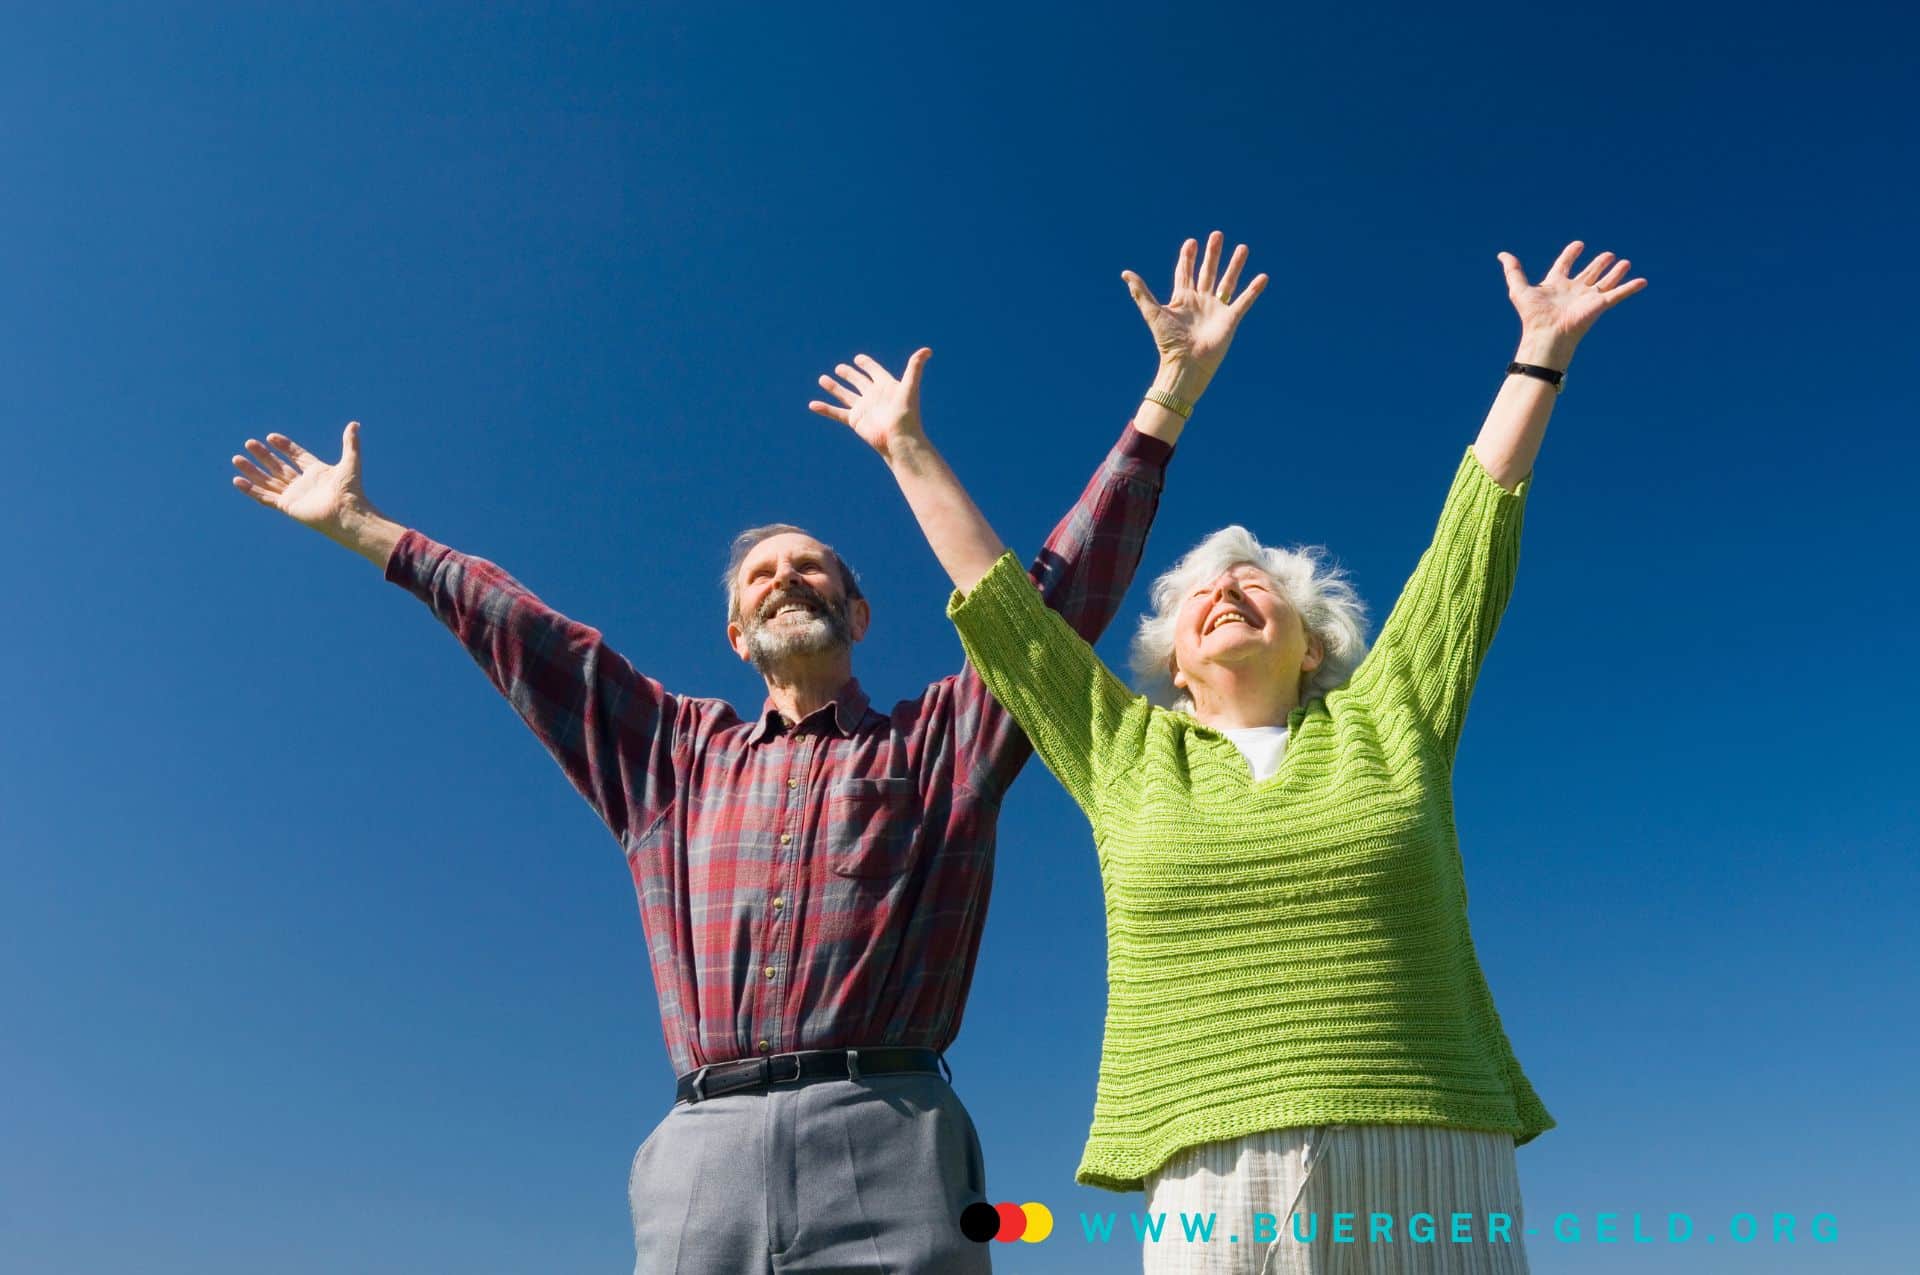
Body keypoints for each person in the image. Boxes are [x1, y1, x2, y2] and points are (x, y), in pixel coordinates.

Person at [224, 231, 1266, 1275]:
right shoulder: (670, 758)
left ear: (859, 611)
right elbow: (531, 636)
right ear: (735, 632)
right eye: (763, 573)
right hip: (701, 1161)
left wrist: (1166, 399)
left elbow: (1050, 602)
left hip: (891, 1134)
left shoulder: (942, 743)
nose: (787, 579)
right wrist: (369, 530)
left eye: (813, 569)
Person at [825, 239, 1646, 1273]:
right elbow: (1005, 616)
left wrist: (1539, 355)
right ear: (1171, 658)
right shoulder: (1124, 751)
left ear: (1315, 645)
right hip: (1212, 1166)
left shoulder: (1391, 716)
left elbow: (1468, 543)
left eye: (1260, 584)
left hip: (1430, 1141)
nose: (1227, 590)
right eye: (1201, 593)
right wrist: (905, 444)